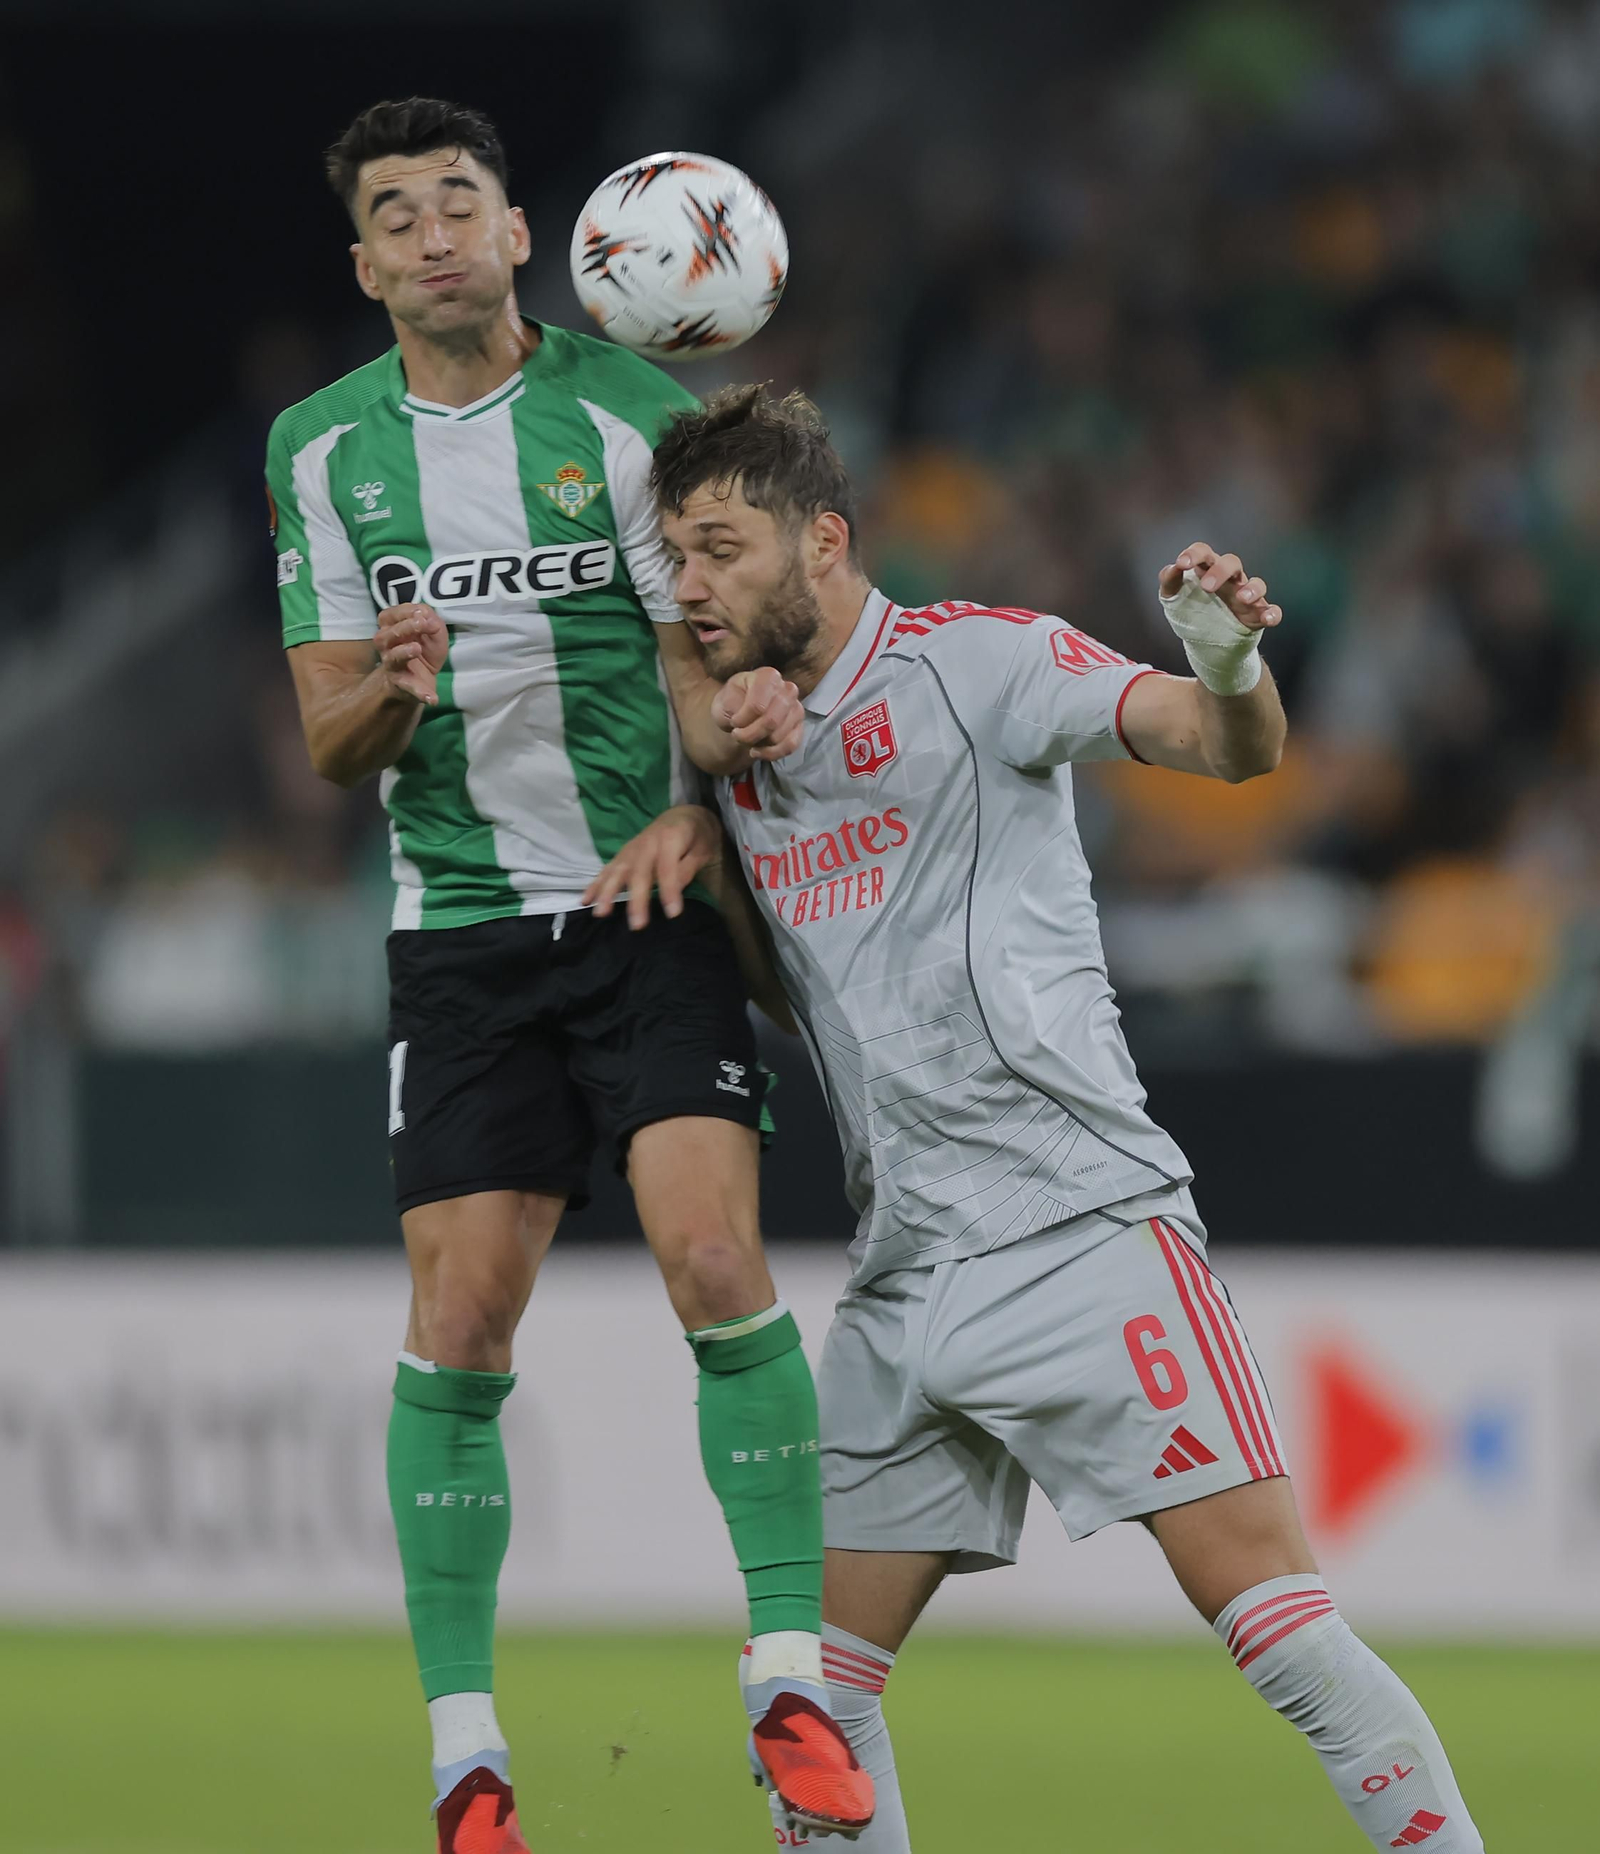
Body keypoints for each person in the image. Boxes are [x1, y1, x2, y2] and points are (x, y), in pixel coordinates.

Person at [586, 385, 1486, 1853]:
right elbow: (798, 986)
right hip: (903, 1272)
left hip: (1079, 1230)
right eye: (675, 553)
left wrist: (1229, 656)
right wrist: (711, 849)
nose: (688, 584)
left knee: (1284, 1633)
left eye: (719, 547)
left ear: (826, 541)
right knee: (812, 1707)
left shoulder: (978, 664)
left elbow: (1226, 746)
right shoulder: (742, 748)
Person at [267, 107, 871, 1851]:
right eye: (397, 213)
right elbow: (329, 739)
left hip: (637, 900)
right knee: (460, 1322)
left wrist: (722, 760)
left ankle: (787, 1679)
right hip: (456, 931)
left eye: (461, 200)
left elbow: (698, 649)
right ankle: (468, 1757)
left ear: (529, 232)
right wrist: (396, 680)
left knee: (712, 1250)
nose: (434, 230)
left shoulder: (626, 415)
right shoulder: (322, 453)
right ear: (366, 265)